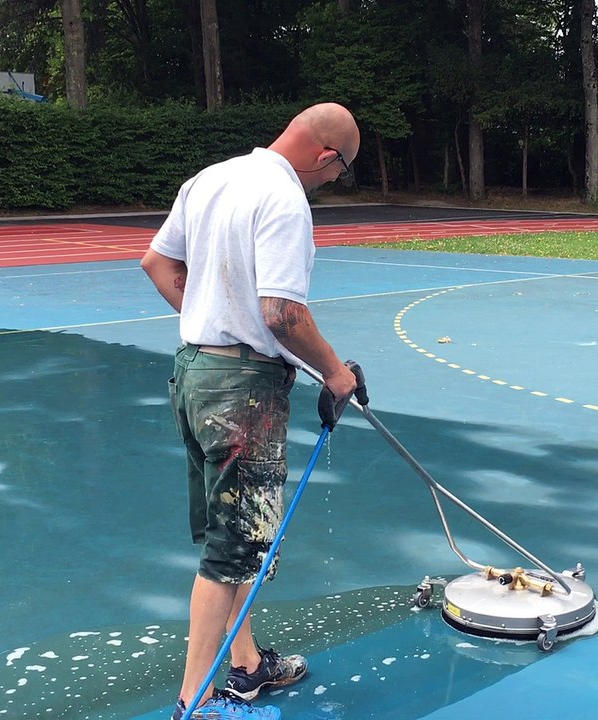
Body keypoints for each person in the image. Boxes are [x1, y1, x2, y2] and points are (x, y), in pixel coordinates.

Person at [140, 103, 360, 720]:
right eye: (340, 171)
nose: (333, 181)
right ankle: (196, 701)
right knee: (233, 550)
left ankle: (245, 664)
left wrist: (210, 316)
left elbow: (156, 262)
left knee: (230, 534)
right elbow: (281, 314)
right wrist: (337, 372)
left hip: (194, 374)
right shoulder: (286, 199)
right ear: (326, 156)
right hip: (243, 390)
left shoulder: (210, 178)